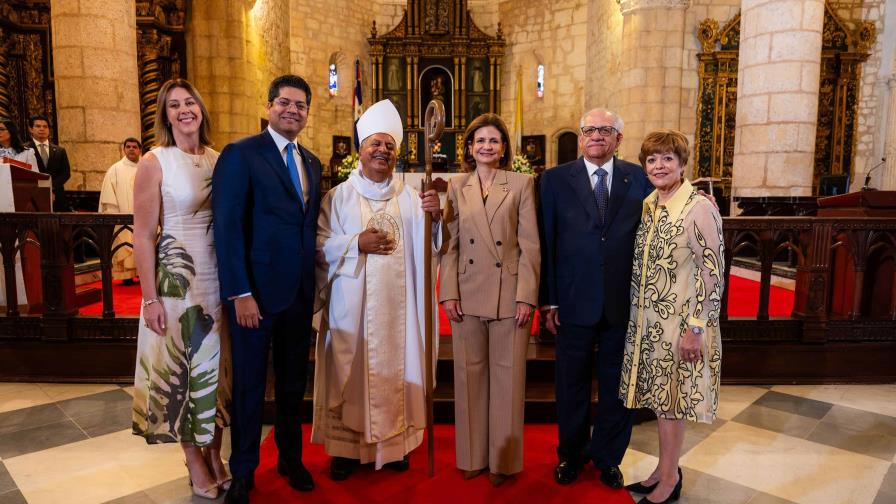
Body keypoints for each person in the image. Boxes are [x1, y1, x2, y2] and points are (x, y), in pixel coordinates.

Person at [312, 99, 443, 480]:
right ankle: (346, 452)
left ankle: (395, 447)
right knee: (350, 373)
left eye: (389, 145)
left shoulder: (411, 198)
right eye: (375, 144)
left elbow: (432, 247)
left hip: (398, 315)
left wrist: (435, 219)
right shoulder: (338, 197)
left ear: (397, 153)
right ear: (360, 150)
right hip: (351, 310)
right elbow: (320, 247)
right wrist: (355, 244)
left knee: (398, 370)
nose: (382, 151)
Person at [212, 74, 321, 503]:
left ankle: (290, 460)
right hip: (253, 297)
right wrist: (239, 292)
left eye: (300, 105)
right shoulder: (242, 154)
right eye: (285, 103)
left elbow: (306, 228)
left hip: (296, 294)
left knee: (294, 384)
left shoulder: (311, 161)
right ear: (270, 106)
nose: (293, 110)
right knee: (250, 386)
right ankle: (243, 471)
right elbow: (228, 227)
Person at [539, 108, 653, 488]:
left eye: (606, 131)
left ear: (618, 139)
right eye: (590, 130)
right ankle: (571, 455)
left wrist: (699, 199)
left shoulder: (639, 178)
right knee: (570, 384)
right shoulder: (554, 181)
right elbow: (548, 242)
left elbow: (667, 212)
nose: (597, 137)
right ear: (581, 136)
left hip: (622, 302)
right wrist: (549, 299)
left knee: (616, 387)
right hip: (572, 300)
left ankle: (607, 457)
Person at [131, 78, 231, 500]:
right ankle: (193, 459)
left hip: (217, 277)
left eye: (190, 102)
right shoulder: (155, 161)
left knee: (216, 372)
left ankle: (215, 452)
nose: (184, 110)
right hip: (176, 282)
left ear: (201, 109)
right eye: (174, 105)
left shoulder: (218, 158)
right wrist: (150, 297)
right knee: (184, 371)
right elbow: (142, 235)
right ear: (165, 115)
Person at [620, 130, 723, 504]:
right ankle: (662, 471)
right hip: (651, 326)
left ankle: (669, 481)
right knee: (662, 403)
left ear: (682, 164)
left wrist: (696, 329)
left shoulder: (698, 206)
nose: (658, 166)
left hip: (681, 327)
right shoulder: (652, 204)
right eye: (651, 159)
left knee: (672, 405)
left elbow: (712, 275)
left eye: (667, 159)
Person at [440, 113, 540, 486]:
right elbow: (448, 247)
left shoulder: (521, 183)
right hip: (465, 295)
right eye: (479, 140)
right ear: (469, 147)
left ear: (503, 149)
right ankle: (470, 456)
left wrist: (526, 296)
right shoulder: (456, 186)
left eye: (493, 141)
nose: (486, 146)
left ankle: (504, 461)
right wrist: (448, 292)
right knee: (469, 377)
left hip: (508, 296)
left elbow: (530, 246)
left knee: (507, 379)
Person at [98, 137, 143, 284]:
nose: (131, 149)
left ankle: (144, 273)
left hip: (144, 214)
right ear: (124, 150)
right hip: (123, 214)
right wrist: (114, 215)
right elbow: (108, 195)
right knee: (125, 240)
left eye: (134, 147)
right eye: (128, 147)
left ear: (139, 150)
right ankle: (127, 276)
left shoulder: (146, 166)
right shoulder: (115, 170)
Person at [25, 114, 71, 211]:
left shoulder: (59, 150)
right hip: (32, 197)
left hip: (57, 196)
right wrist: (42, 190)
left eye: (45, 126)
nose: (42, 129)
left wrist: (50, 188)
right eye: (38, 126)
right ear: (31, 129)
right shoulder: (24, 149)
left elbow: (66, 173)